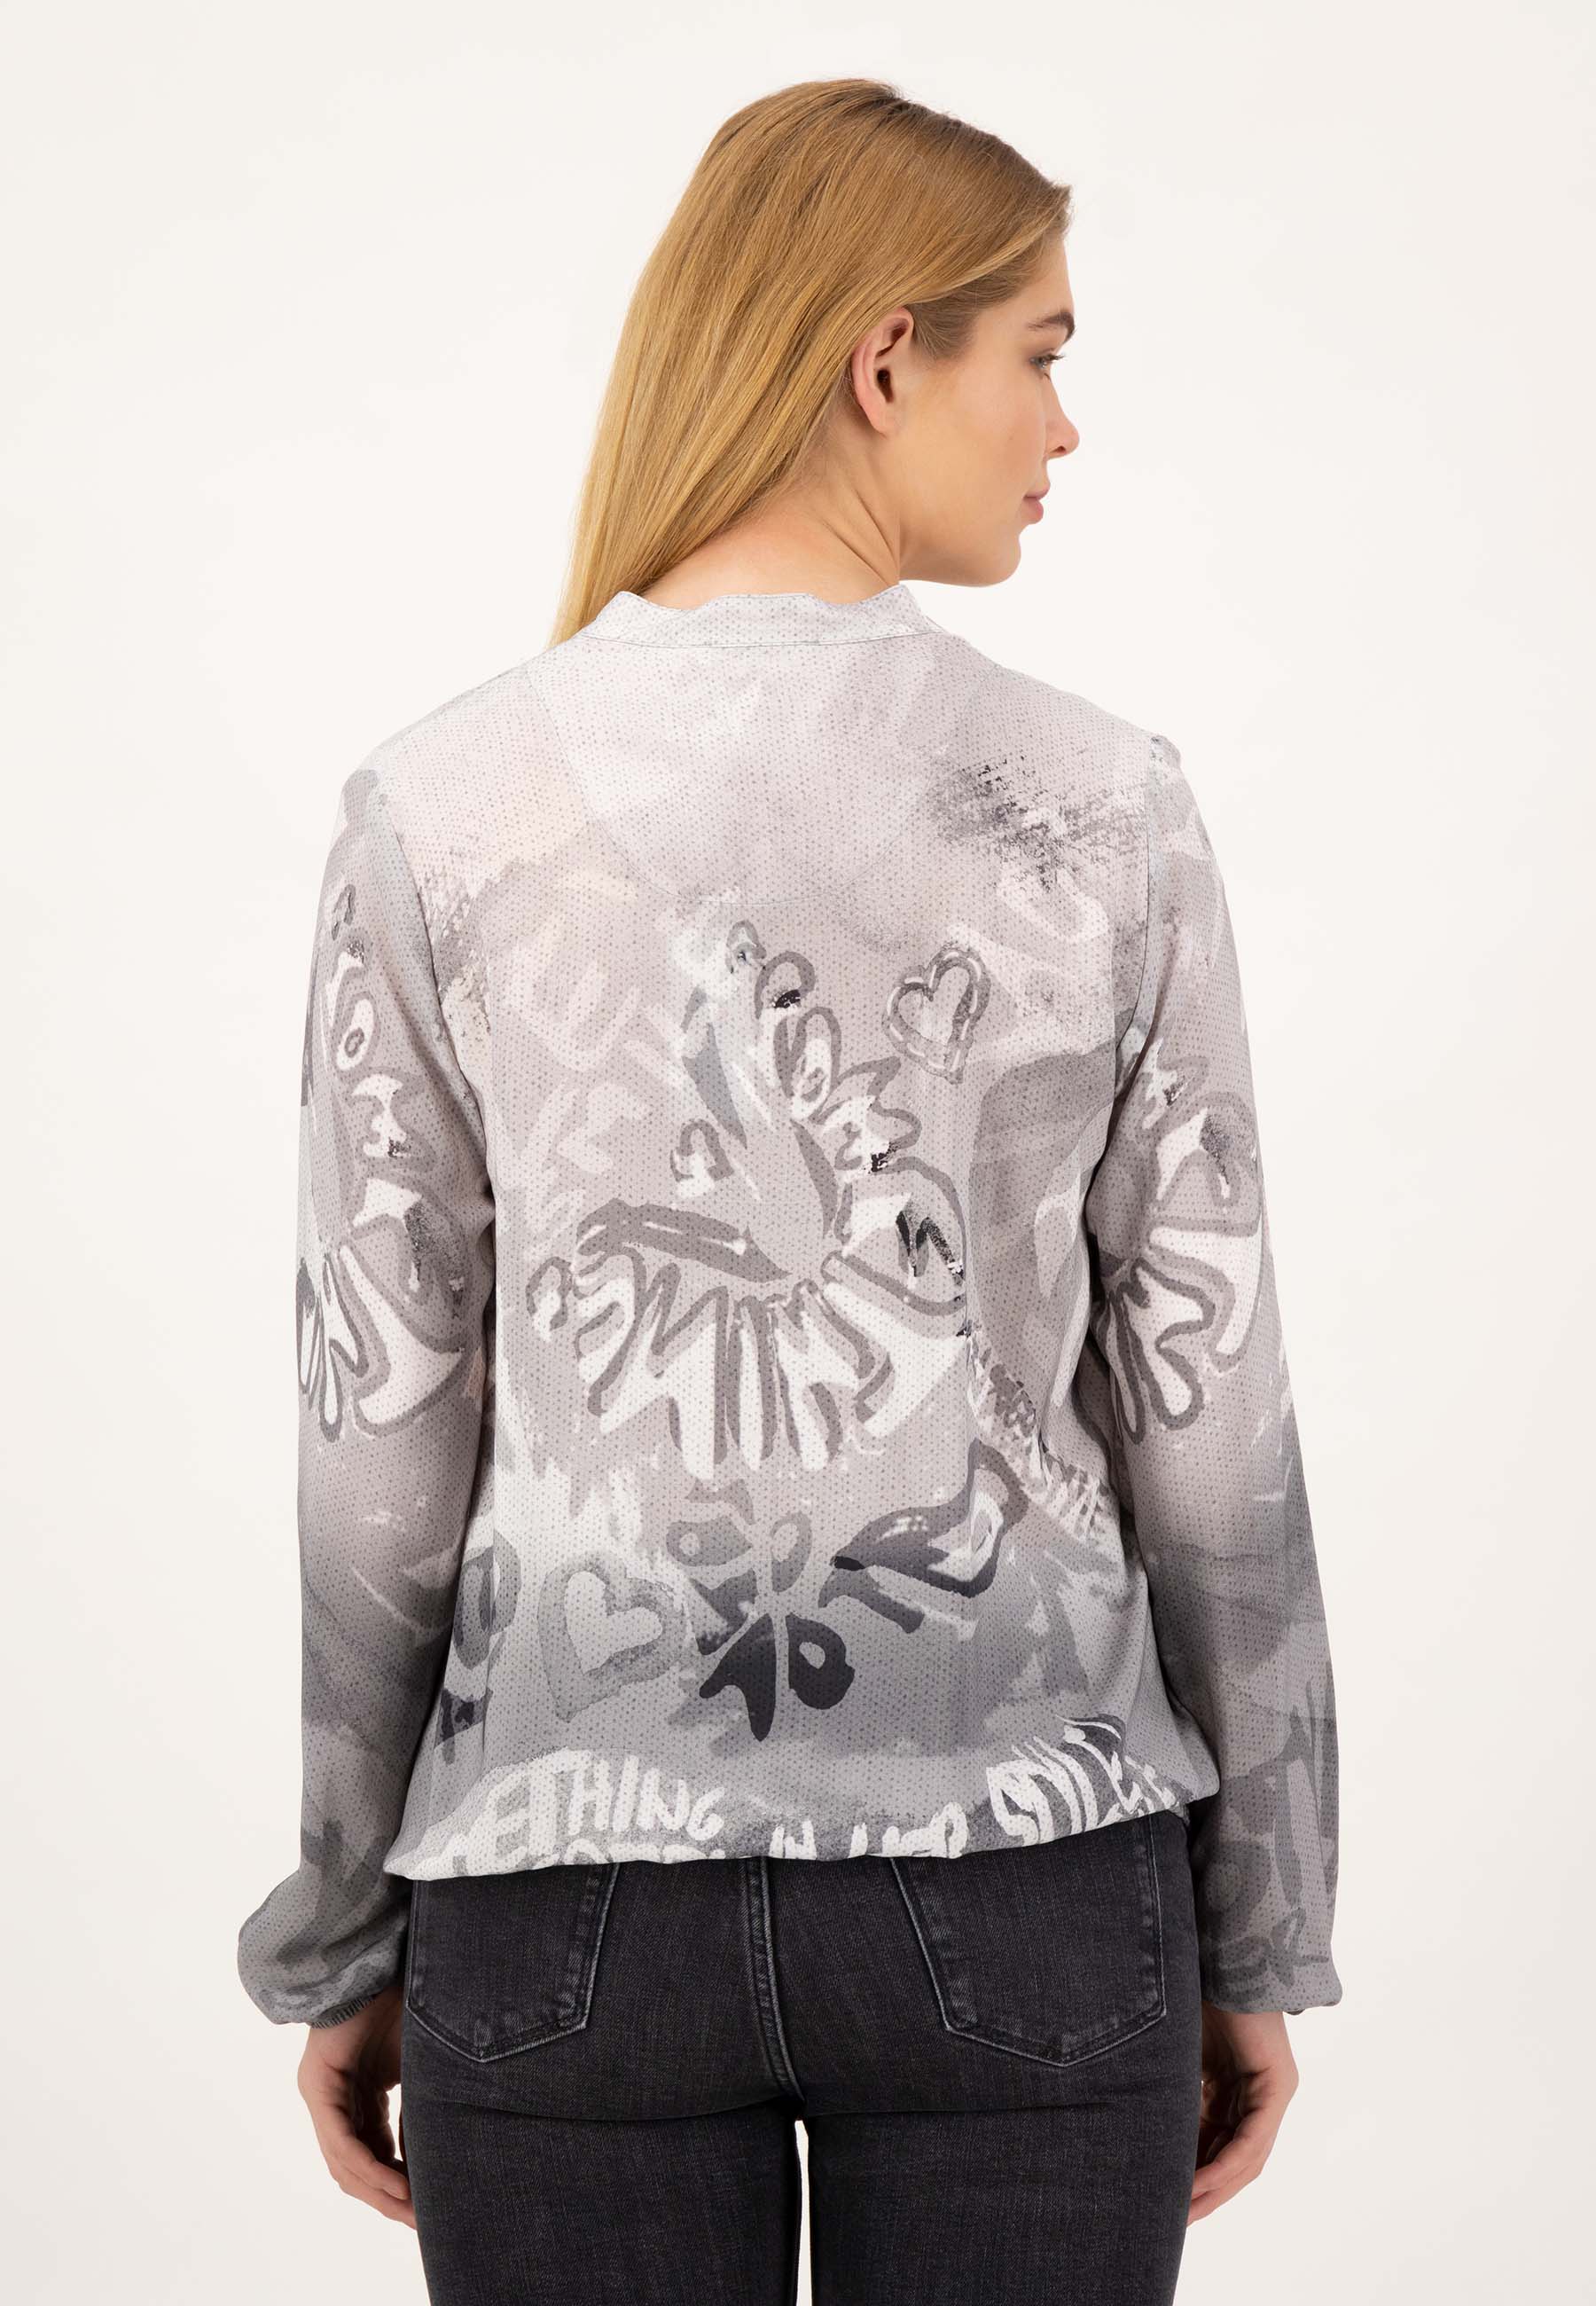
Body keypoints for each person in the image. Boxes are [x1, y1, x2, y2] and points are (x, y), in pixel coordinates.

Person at [237, 75, 1342, 2305]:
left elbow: (380, 1456)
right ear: (883, 360)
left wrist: (349, 1918)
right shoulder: (1104, 809)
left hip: (560, 1882)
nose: (1063, 424)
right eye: (1039, 350)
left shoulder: (439, 809)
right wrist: (1262, 1916)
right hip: (1030, 1865)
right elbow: (1211, 1431)